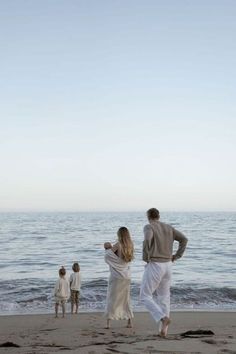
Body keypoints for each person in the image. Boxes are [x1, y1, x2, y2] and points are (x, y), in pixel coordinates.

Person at [140, 208, 188, 337]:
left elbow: (147, 240)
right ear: (159, 216)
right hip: (168, 264)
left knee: (144, 296)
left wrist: (146, 256)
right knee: (164, 297)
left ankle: (162, 318)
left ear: (148, 216)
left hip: (156, 264)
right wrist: (177, 256)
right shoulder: (169, 228)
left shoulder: (149, 226)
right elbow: (184, 239)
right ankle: (163, 331)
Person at [104, 226, 134, 329]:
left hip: (117, 276)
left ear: (119, 235)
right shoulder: (131, 245)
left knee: (112, 298)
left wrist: (107, 247)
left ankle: (108, 323)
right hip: (126, 275)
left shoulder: (118, 245)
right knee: (126, 298)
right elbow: (126, 260)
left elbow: (108, 255)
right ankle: (129, 322)